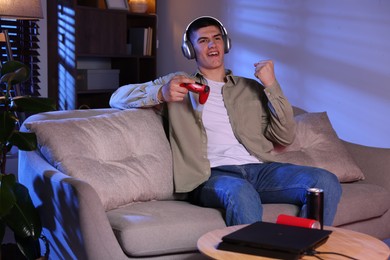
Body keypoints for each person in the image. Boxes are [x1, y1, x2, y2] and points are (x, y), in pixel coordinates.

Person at [109, 16, 342, 226]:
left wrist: (272, 86)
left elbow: (284, 136)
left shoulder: (250, 88)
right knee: (241, 192)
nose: (212, 45)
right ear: (190, 50)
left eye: (217, 38)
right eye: (203, 41)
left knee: (325, 181)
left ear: (225, 44)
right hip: (212, 175)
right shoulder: (178, 83)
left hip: (260, 170)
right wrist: (161, 94)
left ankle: (302, 249)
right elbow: (117, 97)